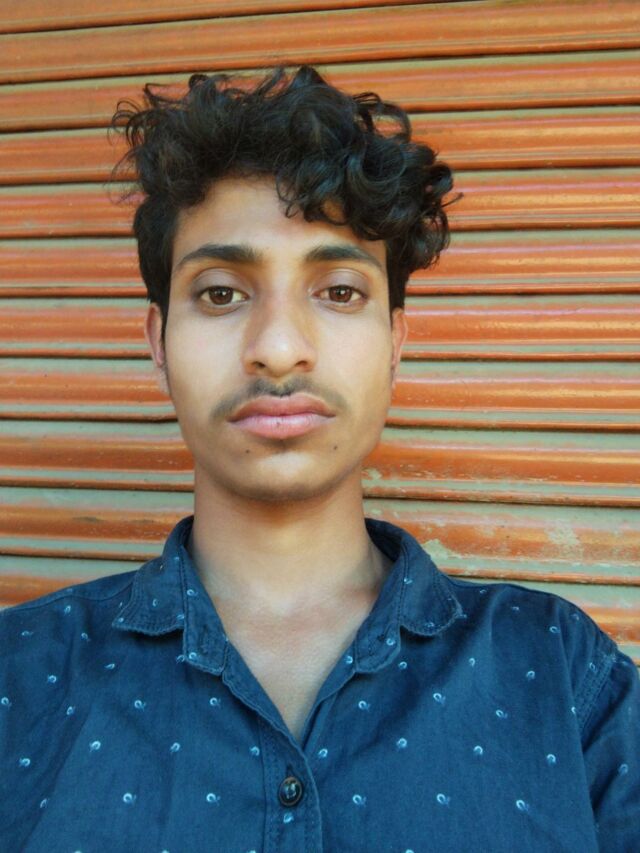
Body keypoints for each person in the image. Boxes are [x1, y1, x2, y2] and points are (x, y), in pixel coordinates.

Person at [0, 65, 637, 853]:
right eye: (221, 293)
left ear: (395, 341)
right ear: (158, 342)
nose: (277, 348)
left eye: (338, 291)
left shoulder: (565, 675)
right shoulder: (19, 677)